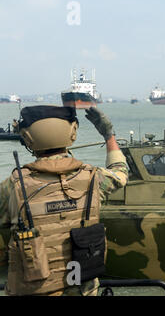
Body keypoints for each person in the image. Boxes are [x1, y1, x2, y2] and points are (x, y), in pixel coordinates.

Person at [0, 105, 128, 296]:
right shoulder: (94, 178)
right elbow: (121, 172)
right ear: (73, 132)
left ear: (27, 137)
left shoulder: (12, 187)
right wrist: (108, 135)